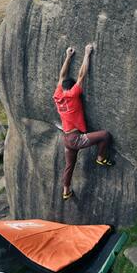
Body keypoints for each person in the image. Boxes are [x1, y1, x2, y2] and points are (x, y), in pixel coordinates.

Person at [53, 43, 113, 201]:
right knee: (105, 135)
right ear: (73, 88)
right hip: (76, 139)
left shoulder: (58, 96)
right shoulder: (73, 95)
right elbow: (81, 76)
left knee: (69, 166)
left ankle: (66, 191)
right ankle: (100, 158)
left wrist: (68, 56)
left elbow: (62, 76)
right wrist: (87, 53)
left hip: (67, 140)